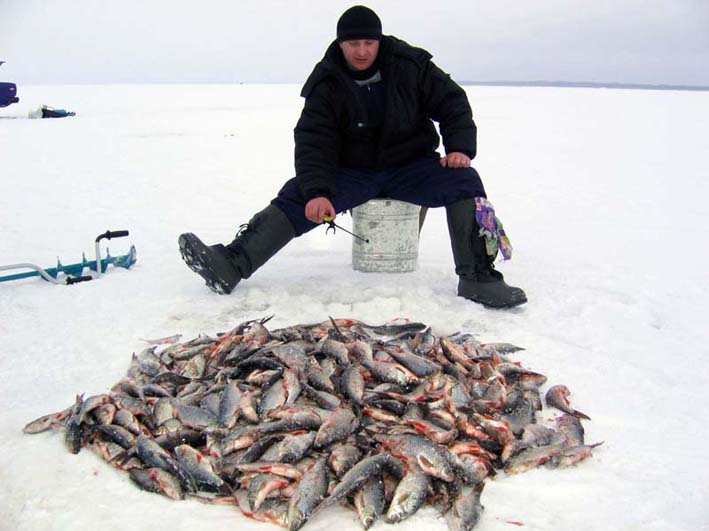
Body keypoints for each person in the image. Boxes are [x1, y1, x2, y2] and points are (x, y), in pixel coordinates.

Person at [179, 5, 527, 308]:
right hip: (354, 171)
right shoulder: (326, 82)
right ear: (340, 43)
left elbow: (452, 102)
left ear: (379, 40)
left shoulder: (411, 65)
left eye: (368, 43)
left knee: (464, 181)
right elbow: (314, 140)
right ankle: (233, 263)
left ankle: (478, 278)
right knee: (299, 193)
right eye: (353, 44)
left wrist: (459, 149)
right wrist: (317, 191)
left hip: (411, 165)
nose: (361, 51)